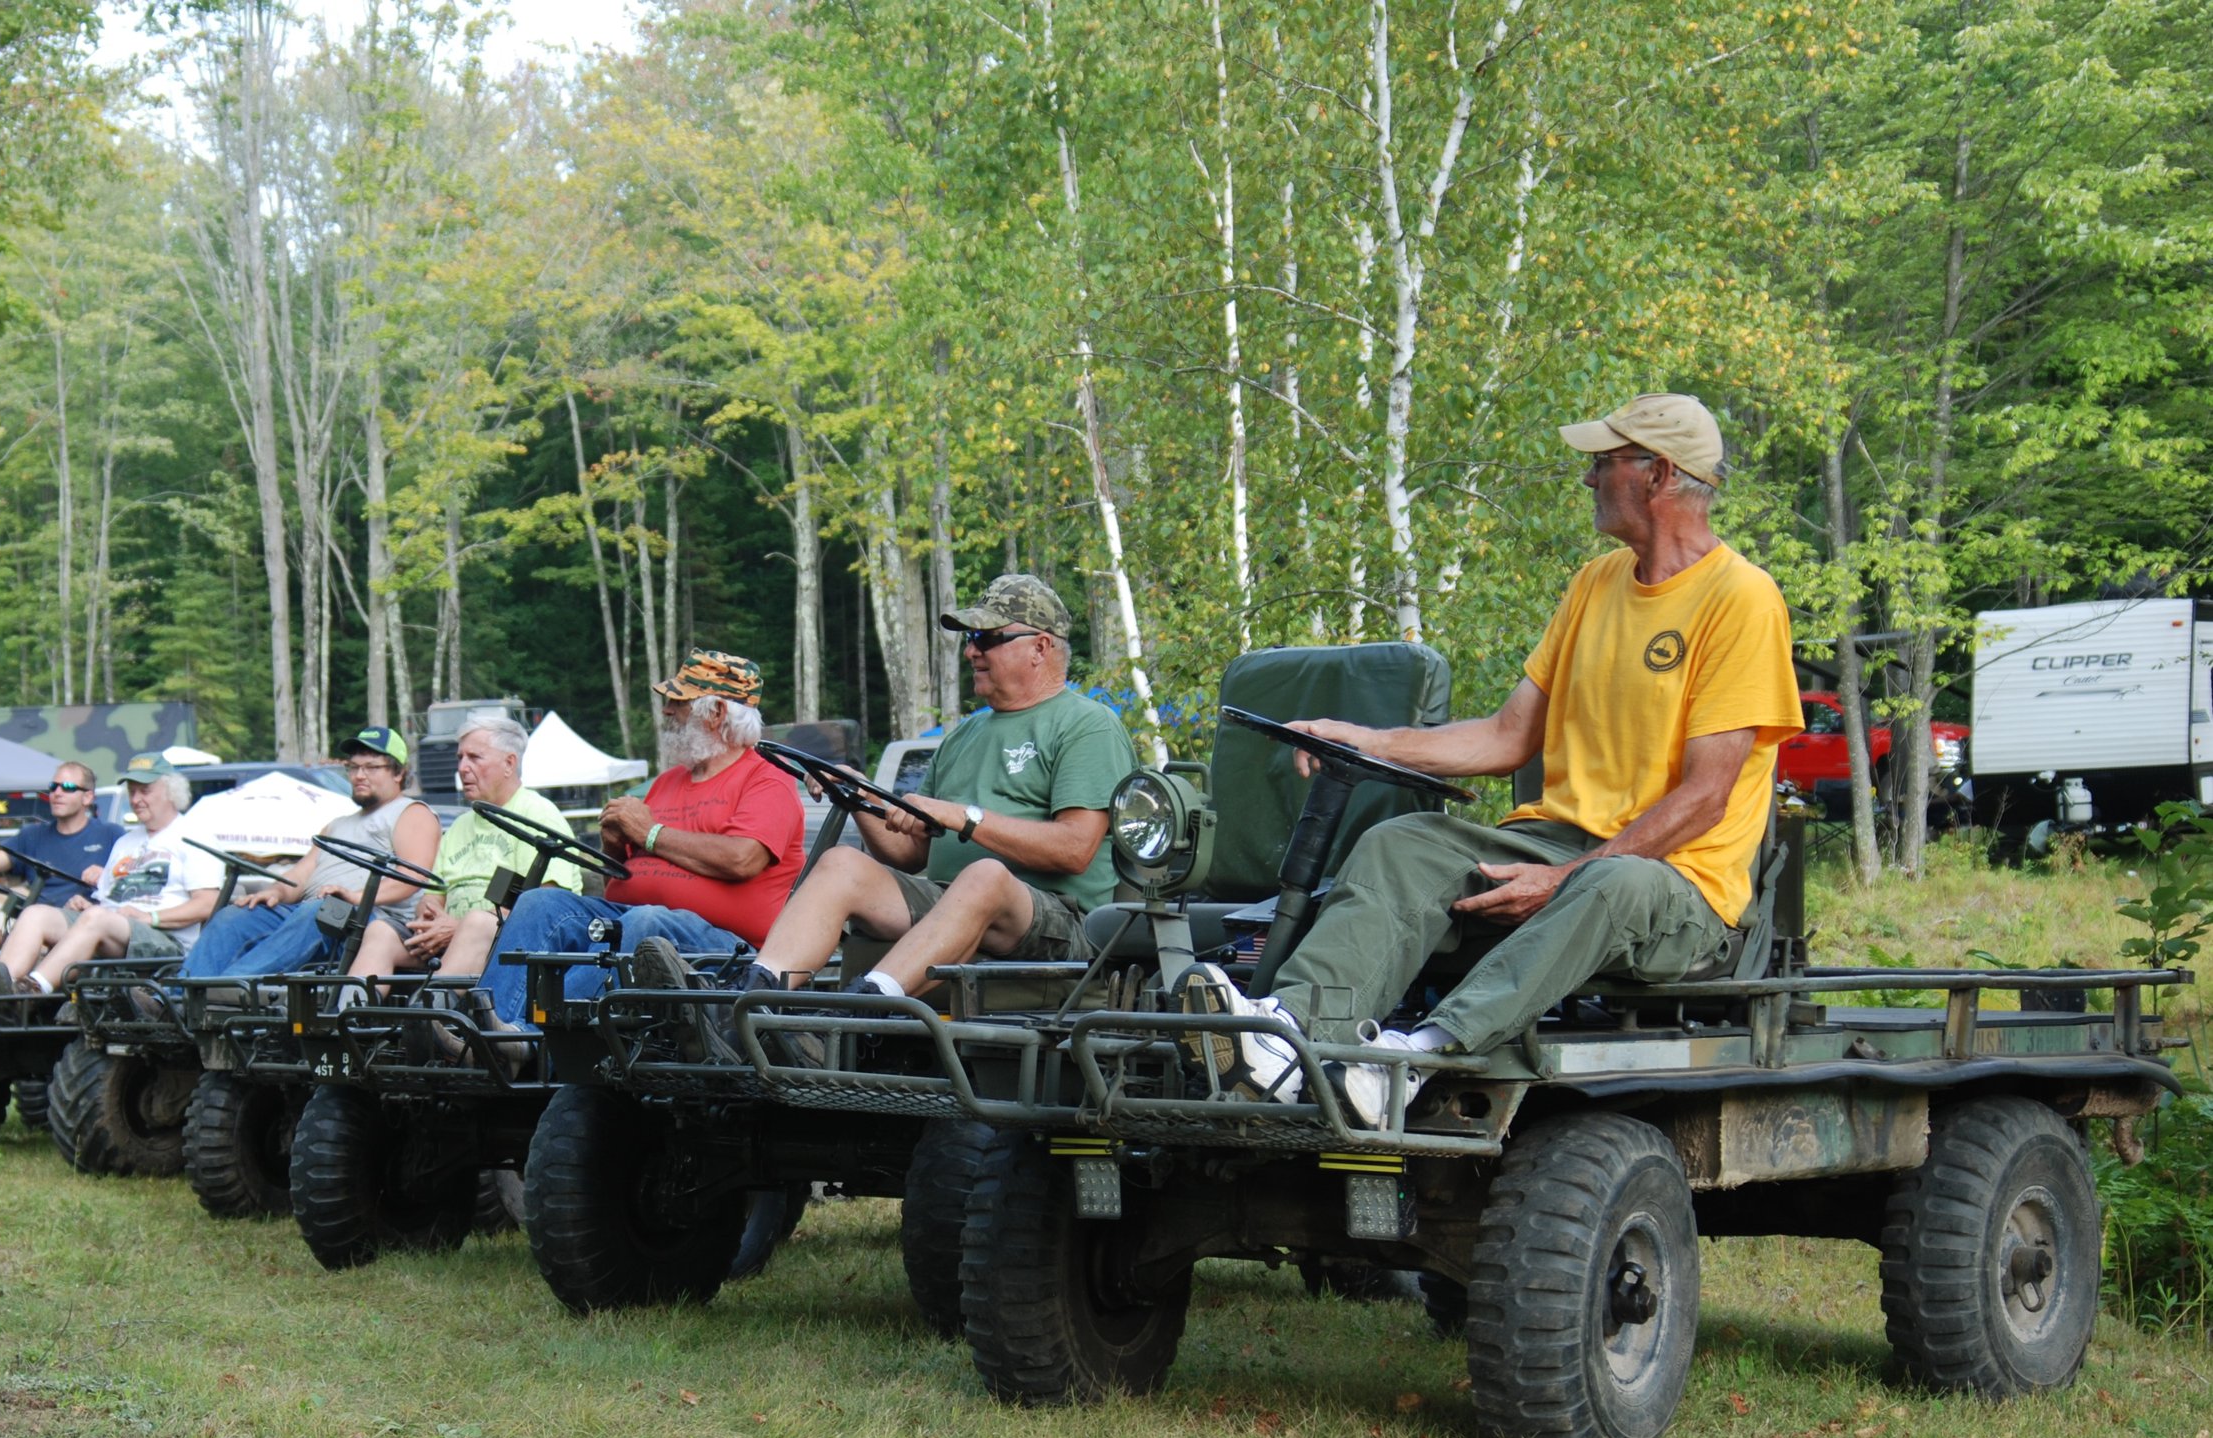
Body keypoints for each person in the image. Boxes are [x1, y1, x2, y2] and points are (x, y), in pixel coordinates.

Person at [1184, 393, 1802, 1123]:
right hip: (1556, 842)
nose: (1588, 480)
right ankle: (1285, 1041)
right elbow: (1507, 736)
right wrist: (1364, 739)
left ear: (1658, 474)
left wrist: (1565, 878)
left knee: (1612, 885)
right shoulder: (1594, 585)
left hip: (1679, 884)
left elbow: (1707, 796)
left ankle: (1417, 1060)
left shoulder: (1742, 599)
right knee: (1402, 845)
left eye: (1602, 464)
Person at [637, 574, 1135, 1053]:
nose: (971, 652)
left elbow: (1075, 849)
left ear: (1040, 647)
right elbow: (910, 854)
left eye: (987, 638)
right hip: (949, 905)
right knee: (841, 865)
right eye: (970, 639)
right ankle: (742, 1008)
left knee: (986, 875)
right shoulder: (964, 735)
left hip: (1059, 927)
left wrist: (965, 815)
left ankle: (859, 1016)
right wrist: (859, 797)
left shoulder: (1087, 725)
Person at [456, 649, 804, 1040]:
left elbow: (744, 859)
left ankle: (536, 1042)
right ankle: (483, 1035)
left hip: (725, 948)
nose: (667, 711)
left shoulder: (767, 778)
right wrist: (613, 845)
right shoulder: (668, 781)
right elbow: (621, 880)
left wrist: (649, 833)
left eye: (677, 702)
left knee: (644, 920)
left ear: (716, 713)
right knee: (539, 903)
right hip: (631, 922)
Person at [177, 726, 442, 980]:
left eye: (372, 767)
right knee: (235, 915)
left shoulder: (411, 812)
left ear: (398, 773)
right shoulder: (337, 824)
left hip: (366, 921)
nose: (360, 775)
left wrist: (354, 897)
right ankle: (174, 1003)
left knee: (325, 910)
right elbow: (300, 876)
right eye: (353, 767)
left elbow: (410, 878)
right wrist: (276, 892)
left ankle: (225, 988)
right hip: (311, 913)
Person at [346, 714, 582, 987]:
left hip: (514, 946)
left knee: (477, 924)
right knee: (380, 932)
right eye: (460, 758)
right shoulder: (460, 825)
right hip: (449, 940)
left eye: (474, 757)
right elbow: (433, 896)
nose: (462, 768)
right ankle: (349, 1020)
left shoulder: (538, 815)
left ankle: (430, 1020)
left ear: (509, 763)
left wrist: (458, 928)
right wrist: (429, 919)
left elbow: (548, 905)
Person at [0, 755, 227, 995]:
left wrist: (150, 917)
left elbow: (207, 904)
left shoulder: (194, 836)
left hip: (164, 942)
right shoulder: (126, 842)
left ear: (171, 792)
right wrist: (88, 905)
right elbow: (107, 904)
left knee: (96, 918)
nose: (136, 799)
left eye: (145, 791)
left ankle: (32, 990)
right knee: (35, 914)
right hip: (113, 929)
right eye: (132, 791)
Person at [0, 763, 121, 954]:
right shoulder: (33, 835)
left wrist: (107, 876)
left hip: (79, 927)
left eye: (68, 788)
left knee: (33, 930)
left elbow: (134, 879)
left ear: (88, 797)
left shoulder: (110, 835)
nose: (57, 793)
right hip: (30, 924)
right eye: (53, 787)